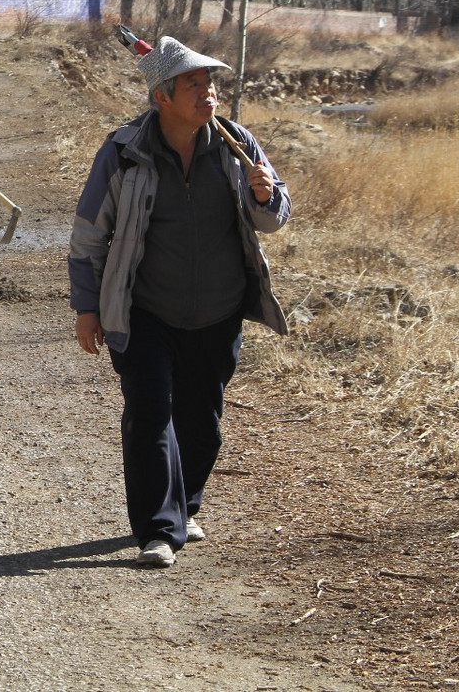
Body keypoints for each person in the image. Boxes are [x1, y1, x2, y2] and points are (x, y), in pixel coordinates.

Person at [69, 36, 290, 567]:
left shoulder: (237, 145)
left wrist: (267, 195)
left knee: (202, 421)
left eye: (211, 83)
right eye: (194, 84)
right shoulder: (124, 151)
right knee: (149, 415)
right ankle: (158, 530)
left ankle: (185, 505)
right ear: (161, 97)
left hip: (219, 310)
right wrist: (87, 307)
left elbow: (273, 219)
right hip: (144, 307)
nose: (208, 93)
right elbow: (88, 235)